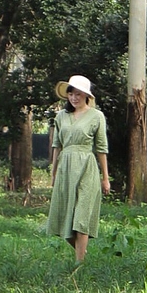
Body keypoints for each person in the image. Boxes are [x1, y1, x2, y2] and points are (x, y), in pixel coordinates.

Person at [46, 75, 110, 263]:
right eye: (71, 94)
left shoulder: (96, 116)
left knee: (81, 217)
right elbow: (56, 145)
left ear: (86, 96)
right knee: (63, 218)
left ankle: (79, 264)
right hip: (65, 167)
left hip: (86, 168)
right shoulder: (61, 116)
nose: (74, 98)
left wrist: (105, 177)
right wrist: (54, 171)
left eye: (78, 94)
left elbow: (101, 148)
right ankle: (81, 253)